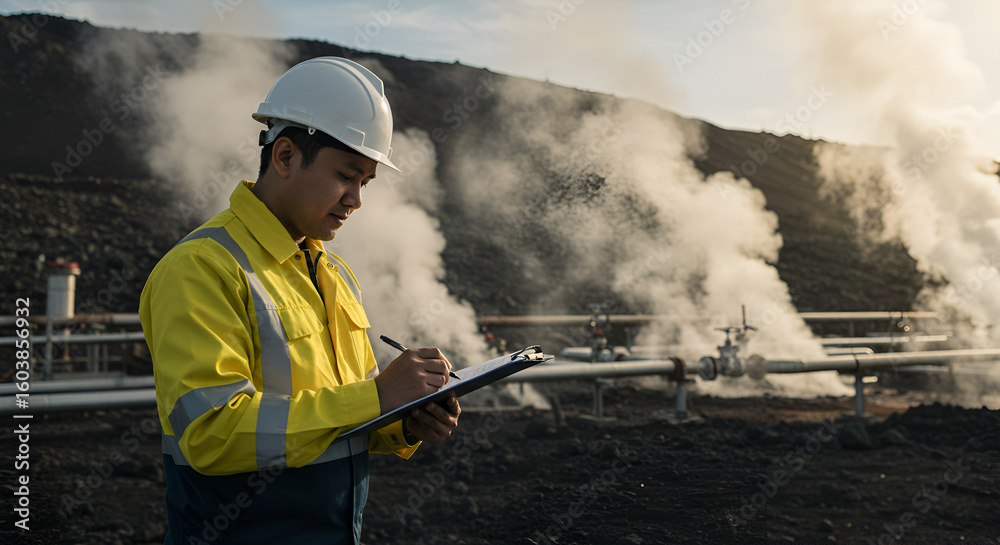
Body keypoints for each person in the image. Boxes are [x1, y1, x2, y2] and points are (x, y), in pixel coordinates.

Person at [139, 57, 461, 545]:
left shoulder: (334, 274)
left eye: (365, 183)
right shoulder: (201, 268)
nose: (356, 199)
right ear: (285, 157)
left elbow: (341, 419)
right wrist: (377, 396)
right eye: (346, 175)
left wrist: (406, 420)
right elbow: (211, 432)